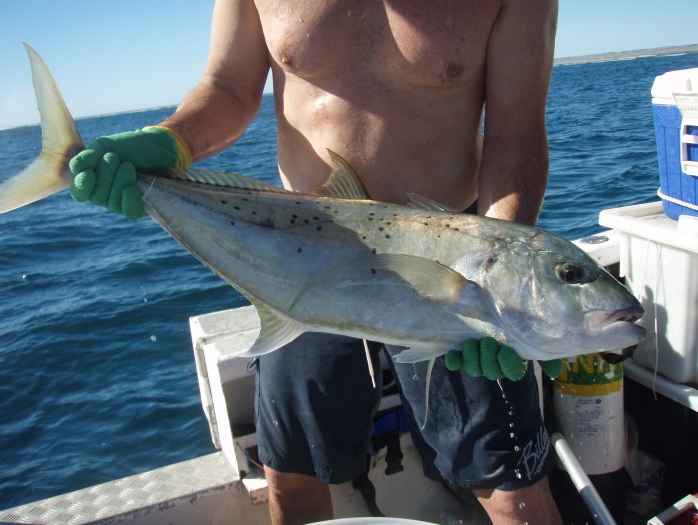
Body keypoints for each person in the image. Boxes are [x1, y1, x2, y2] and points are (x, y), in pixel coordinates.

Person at [69, 1, 562, 523]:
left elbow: (517, 134)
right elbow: (230, 89)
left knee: (513, 490)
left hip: (451, 261)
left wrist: (498, 282)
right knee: (291, 480)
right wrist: (168, 142)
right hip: (298, 254)